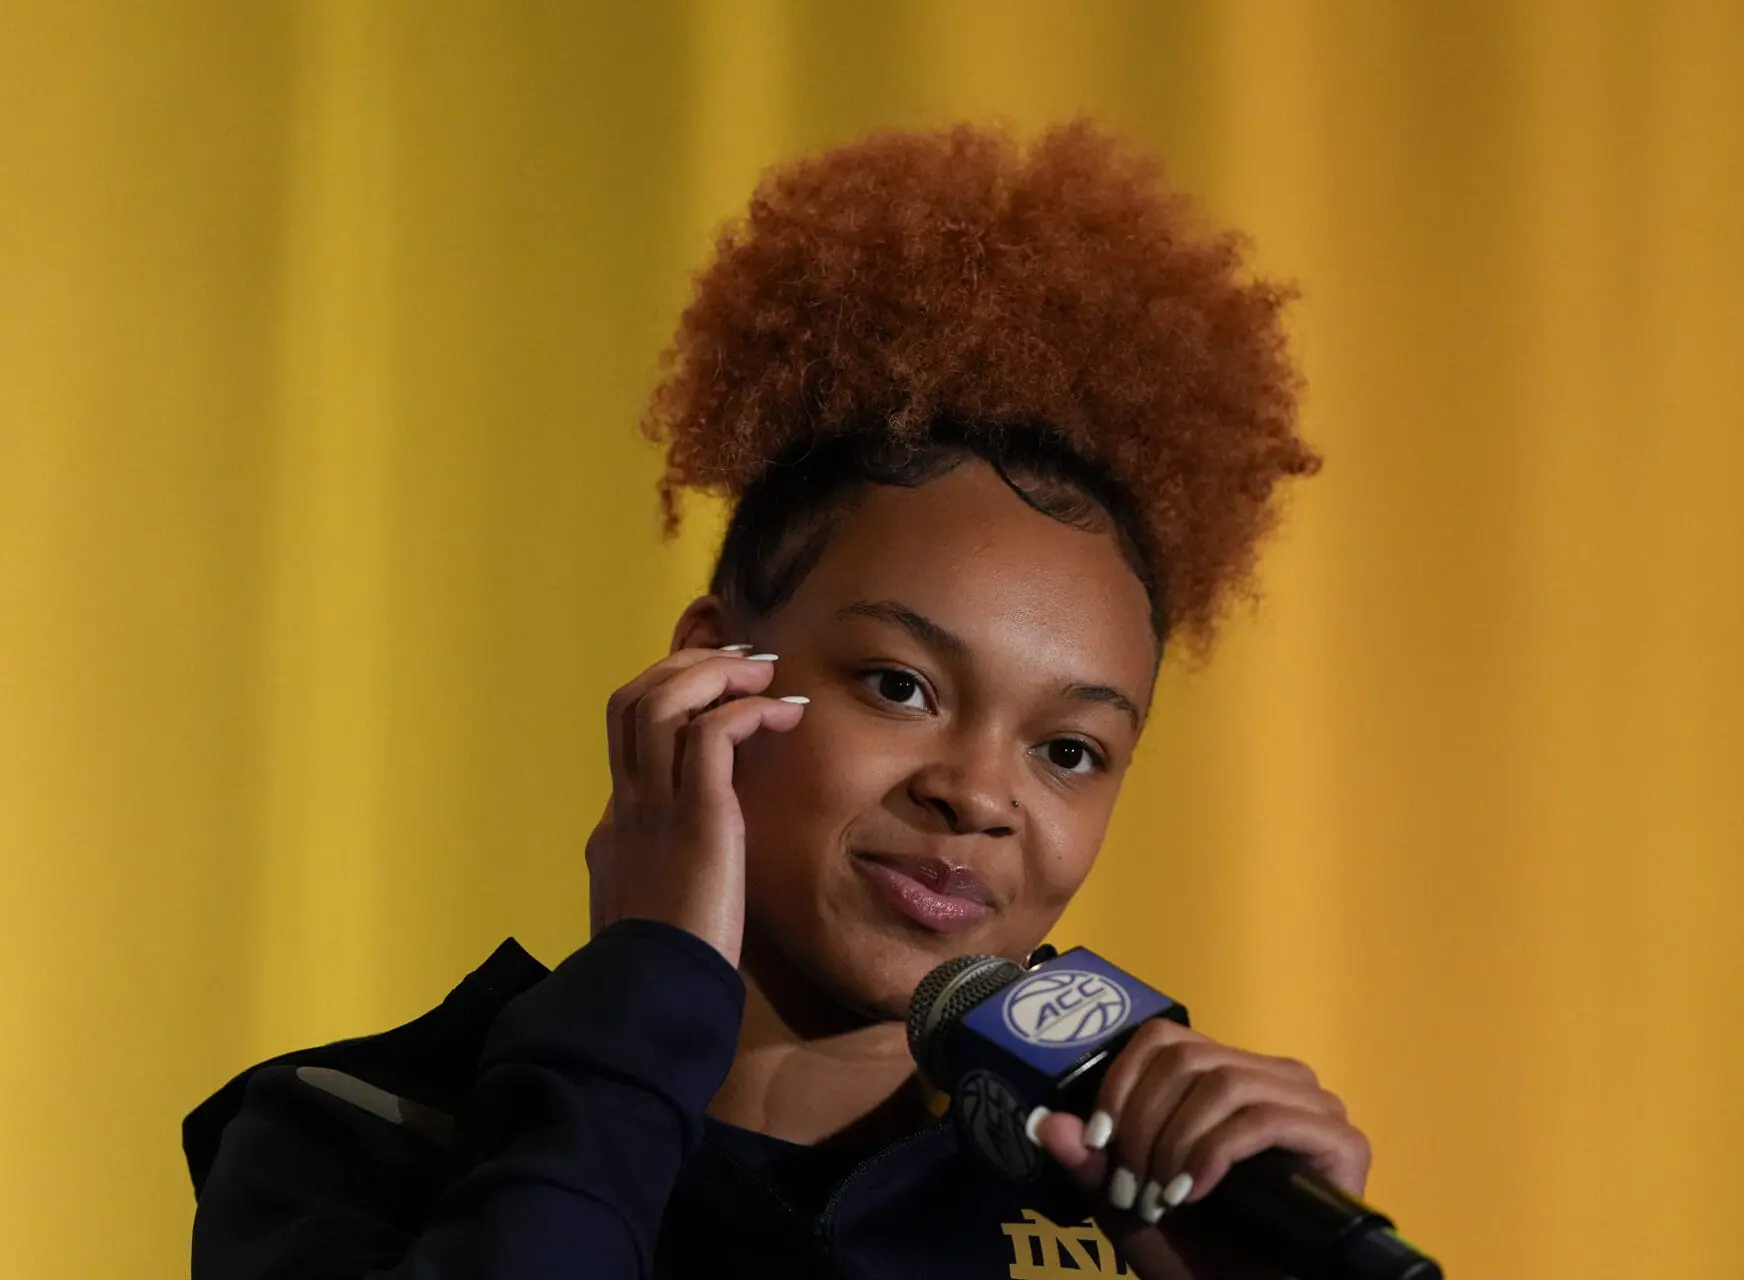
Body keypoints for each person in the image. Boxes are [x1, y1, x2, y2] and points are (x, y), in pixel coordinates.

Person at [185, 119, 1364, 1279]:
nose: (978, 793)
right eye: (900, 685)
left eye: (1069, 748)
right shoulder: (363, 1128)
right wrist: (642, 997)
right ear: (714, 671)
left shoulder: (1136, 1223)